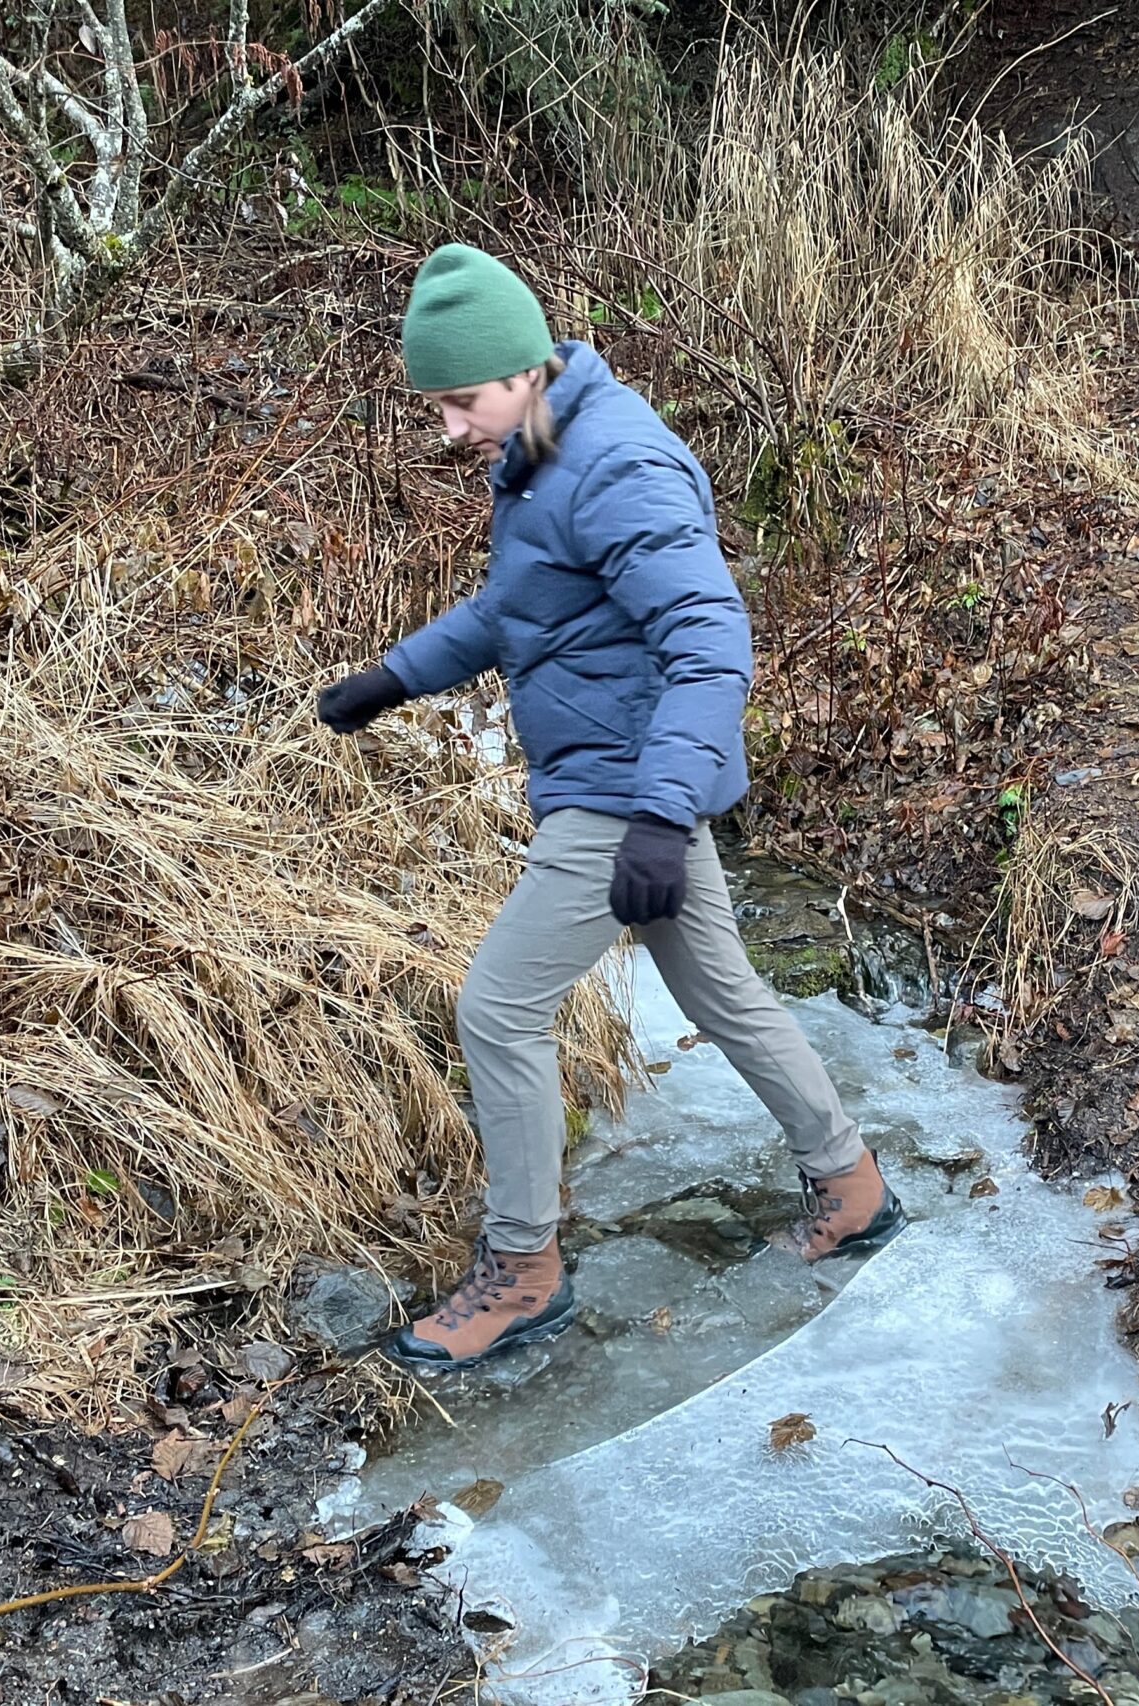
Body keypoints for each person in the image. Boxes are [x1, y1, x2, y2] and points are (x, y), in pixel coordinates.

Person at [316, 244, 905, 1369]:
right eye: (436, 405)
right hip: (633, 780)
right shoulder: (546, 453)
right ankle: (850, 1181)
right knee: (722, 989)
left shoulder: (616, 462)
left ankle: (523, 1270)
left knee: (496, 1008)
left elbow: (709, 639)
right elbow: (524, 608)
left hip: (622, 789)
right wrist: (396, 675)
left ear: (523, 369)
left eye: (458, 401)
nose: (448, 428)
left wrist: (654, 815)